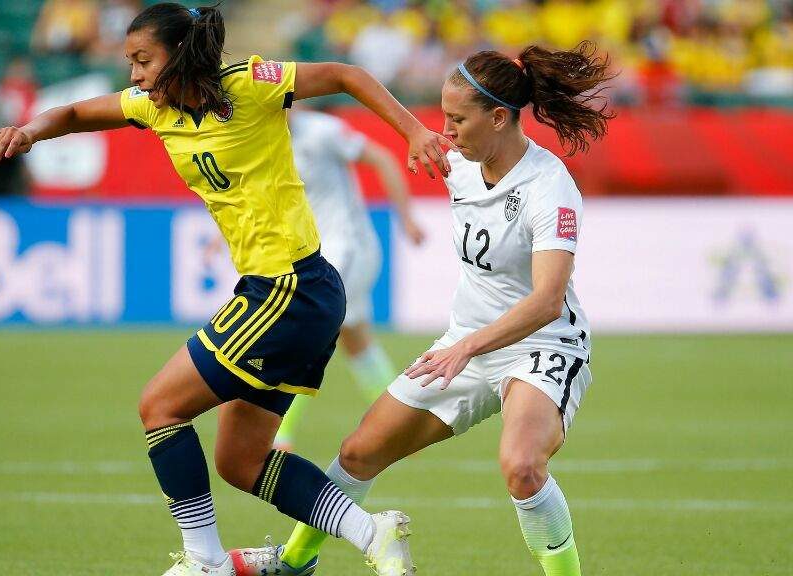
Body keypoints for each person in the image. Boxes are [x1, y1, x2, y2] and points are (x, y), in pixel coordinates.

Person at [0, 4, 452, 576]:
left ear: (179, 56)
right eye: (129, 62)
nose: (133, 75)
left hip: (288, 288)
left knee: (160, 406)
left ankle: (204, 561)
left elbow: (342, 75)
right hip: (291, 293)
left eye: (142, 61)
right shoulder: (152, 109)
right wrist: (30, 130)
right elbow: (82, 111)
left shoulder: (249, 86)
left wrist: (412, 129)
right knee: (242, 460)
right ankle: (372, 533)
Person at [231, 41, 614, 576]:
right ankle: (293, 564)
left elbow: (547, 301)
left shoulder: (550, 188)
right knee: (358, 452)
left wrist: (467, 347)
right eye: (441, 117)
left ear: (500, 118)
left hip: (541, 347)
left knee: (522, 467)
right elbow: (403, 130)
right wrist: (412, 133)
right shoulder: (459, 161)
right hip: (465, 345)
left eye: (457, 119)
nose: (446, 130)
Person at [272, 105, 425, 451]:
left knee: (308, 329)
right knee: (356, 341)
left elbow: (383, 158)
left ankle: (280, 433)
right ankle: (403, 425)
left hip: (349, 248)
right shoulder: (265, 139)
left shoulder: (323, 131)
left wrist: (406, 217)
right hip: (316, 253)